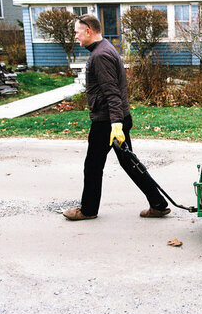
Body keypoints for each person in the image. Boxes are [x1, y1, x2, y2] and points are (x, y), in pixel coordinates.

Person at [63, 14, 170, 221]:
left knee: (93, 165)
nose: (76, 37)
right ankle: (158, 203)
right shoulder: (105, 48)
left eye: (77, 32)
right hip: (114, 119)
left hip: (107, 122)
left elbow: (112, 93)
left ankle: (88, 210)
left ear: (88, 31)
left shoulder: (100, 55)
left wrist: (116, 125)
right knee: (129, 163)